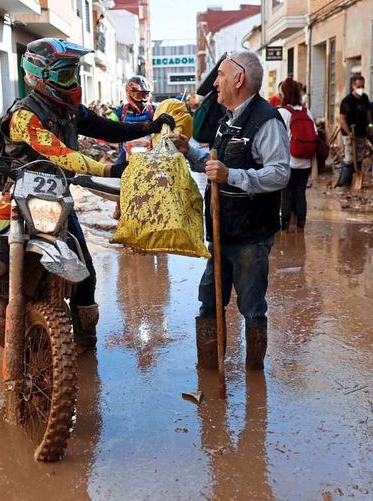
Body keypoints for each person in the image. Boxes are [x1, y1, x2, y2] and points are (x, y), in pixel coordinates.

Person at [0, 38, 175, 347]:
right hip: (21, 193)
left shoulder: (70, 109)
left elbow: (109, 129)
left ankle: (85, 340)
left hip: (57, 196)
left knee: (87, 273)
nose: (73, 82)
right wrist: (108, 170)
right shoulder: (24, 115)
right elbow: (59, 153)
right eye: (65, 75)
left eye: (74, 74)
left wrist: (150, 126)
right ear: (41, 75)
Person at [170, 50, 290, 371]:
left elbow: (280, 173)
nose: (215, 83)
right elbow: (214, 166)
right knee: (208, 301)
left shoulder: (266, 121)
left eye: (221, 75)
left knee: (252, 308)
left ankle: (254, 379)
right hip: (221, 232)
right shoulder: (227, 118)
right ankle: (209, 372)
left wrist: (232, 176)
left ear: (239, 79)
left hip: (251, 235)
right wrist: (189, 152)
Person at [277, 78, 317, 231]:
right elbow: (314, 134)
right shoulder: (307, 112)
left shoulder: (282, 113)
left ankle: (285, 228)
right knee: (300, 193)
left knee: (286, 193)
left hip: (288, 161)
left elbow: (277, 139)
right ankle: (300, 227)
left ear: (284, 94)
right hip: (305, 162)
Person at [108, 75, 157, 166]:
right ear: (129, 93)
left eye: (144, 95)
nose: (142, 99)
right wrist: (109, 124)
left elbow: (165, 113)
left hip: (150, 147)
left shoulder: (154, 108)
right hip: (126, 148)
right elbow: (111, 120)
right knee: (117, 170)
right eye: (137, 95)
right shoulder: (122, 110)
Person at [337, 75, 373, 187]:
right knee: (349, 158)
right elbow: (342, 119)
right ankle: (344, 184)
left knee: (359, 158)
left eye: (363, 86)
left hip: (361, 133)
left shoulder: (365, 98)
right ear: (353, 86)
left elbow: (368, 113)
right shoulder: (347, 101)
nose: (361, 88)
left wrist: (370, 125)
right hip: (349, 133)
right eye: (358, 86)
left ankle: (355, 182)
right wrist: (349, 132)